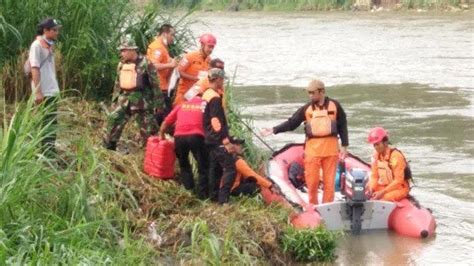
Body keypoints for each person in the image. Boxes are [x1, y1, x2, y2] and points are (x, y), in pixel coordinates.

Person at [261, 79, 349, 205]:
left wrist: (344, 145)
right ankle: (313, 206)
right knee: (312, 183)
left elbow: (343, 125)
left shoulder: (335, 106)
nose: (311, 96)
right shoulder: (307, 109)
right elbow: (292, 123)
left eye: (313, 93)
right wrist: (274, 130)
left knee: (329, 183)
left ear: (322, 91)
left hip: (331, 151)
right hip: (312, 151)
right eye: (309, 93)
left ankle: (327, 207)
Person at [103, 38, 161, 150]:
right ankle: (109, 147)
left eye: (124, 51)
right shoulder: (121, 64)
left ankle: (153, 152)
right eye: (121, 51)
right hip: (124, 100)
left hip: (142, 102)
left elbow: (155, 84)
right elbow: (117, 84)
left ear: (132, 50)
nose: (121, 53)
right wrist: (114, 102)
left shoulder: (146, 63)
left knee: (148, 130)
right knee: (113, 121)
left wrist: (158, 104)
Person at [158, 95, 208, 197]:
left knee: (184, 164)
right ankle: (203, 194)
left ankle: (189, 190)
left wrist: (161, 136)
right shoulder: (204, 105)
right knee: (203, 165)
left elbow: (166, 122)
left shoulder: (182, 105)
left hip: (179, 137)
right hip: (196, 136)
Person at [202, 68, 236, 204]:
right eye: (222, 80)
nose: (223, 83)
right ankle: (223, 200)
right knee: (230, 168)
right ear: (217, 80)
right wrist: (226, 141)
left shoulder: (206, 94)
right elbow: (216, 121)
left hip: (209, 137)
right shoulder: (215, 98)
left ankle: (214, 196)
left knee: (214, 168)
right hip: (217, 139)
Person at [28, 18, 61, 156]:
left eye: (57, 30)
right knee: (46, 122)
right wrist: (38, 92)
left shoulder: (48, 45)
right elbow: (34, 68)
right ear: (45, 30)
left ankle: (48, 151)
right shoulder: (36, 46)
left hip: (51, 91)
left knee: (51, 122)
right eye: (54, 30)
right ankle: (46, 154)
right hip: (44, 91)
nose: (57, 32)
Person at [367, 127, 410, 202]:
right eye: (374, 145)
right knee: (367, 192)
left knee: (384, 198)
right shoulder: (376, 156)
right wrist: (371, 189)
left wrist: (382, 192)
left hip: (399, 188)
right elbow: (374, 176)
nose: (376, 147)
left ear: (385, 143)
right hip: (386, 185)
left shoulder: (395, 157)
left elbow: (398, 180)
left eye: (377, 144)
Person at [173, 33, 216, 106]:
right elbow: (178, 72)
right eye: (209, 47)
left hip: (198, 95)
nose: (211, 49)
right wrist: (195, 79)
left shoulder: (210, 61)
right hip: (184, 93)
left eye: (213, 47)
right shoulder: (190, 56)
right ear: (202, 45)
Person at [146, 24, 178, 119]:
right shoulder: (158, 47)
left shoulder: (162, 47)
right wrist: (170, 65)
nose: (173, 38)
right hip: (158, 87)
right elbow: (153, 65)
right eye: (172, 35)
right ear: (165, 34)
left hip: (163, 86)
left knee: (165, 114)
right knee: (164, 116)